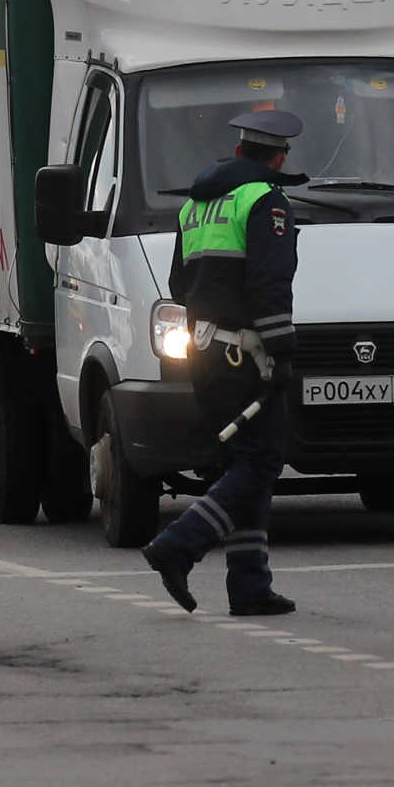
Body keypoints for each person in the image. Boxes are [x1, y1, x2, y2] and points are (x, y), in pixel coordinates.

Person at [142, 110, 303, 619]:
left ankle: (249, 584)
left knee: (243, 460)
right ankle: (179, 545)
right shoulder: (265, 201)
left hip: (207, 353)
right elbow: (269, 282)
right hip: (245, 355)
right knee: (262, 460)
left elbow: (178, 285)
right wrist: (279, 352)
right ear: (278, 158)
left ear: (238, 152)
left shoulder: (196, 205)